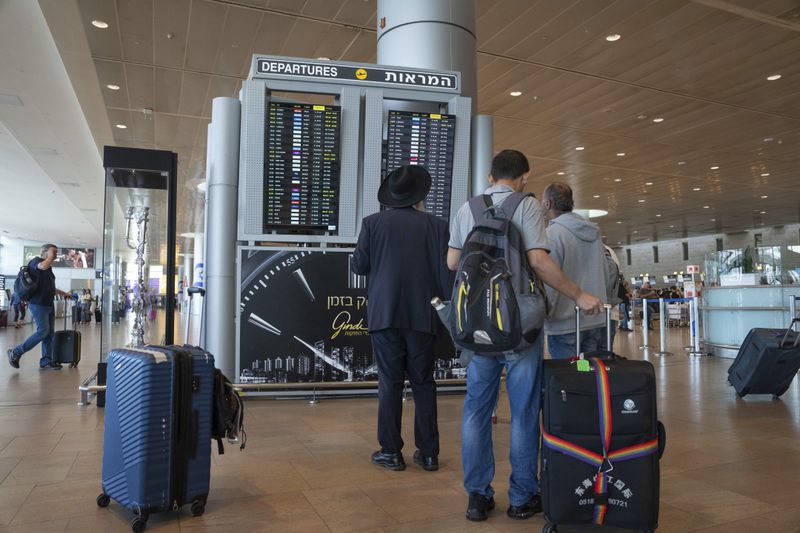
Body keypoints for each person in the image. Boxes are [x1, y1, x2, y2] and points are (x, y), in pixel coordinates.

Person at [447, 150, 603, 522]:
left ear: (489, 175)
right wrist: (578, 294)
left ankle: (477, 497)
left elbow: (453, 262)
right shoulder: (527, 206)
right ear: (524, 177)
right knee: (523, 412)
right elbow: (538, 261)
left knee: (476, 411)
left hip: (477, 326)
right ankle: (521, 498)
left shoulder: (468, 208)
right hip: (519, 325)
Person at [351, 165, 452, 473]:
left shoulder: (372, 224)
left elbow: (359, 266)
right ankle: (429, 452)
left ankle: (391, 452)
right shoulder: (437, 226)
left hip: (385, 314)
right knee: (424, 383)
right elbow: (446, 272)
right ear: (419, 195)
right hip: (423, 314)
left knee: (390, 384)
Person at [541, 182, 609, 359]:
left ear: (548, 204)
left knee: (570, 377)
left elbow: (550, 278)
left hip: (565, 323)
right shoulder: (594, 233)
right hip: (595, 318)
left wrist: (544, 314)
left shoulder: (553, 233)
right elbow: (605, 271)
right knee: (586, 373)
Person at [7, 244, 73, 369]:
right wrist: (49, 256)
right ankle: (15, 352)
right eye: (54, 251)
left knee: (49, 334)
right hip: (38, 304)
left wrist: (65, 294)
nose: (55, 255)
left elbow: (51, 288)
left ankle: (46, 361)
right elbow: (42, 266)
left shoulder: (49, 268)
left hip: (48, 304)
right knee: (43, 331)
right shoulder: (36, 261)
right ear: (45, 251)